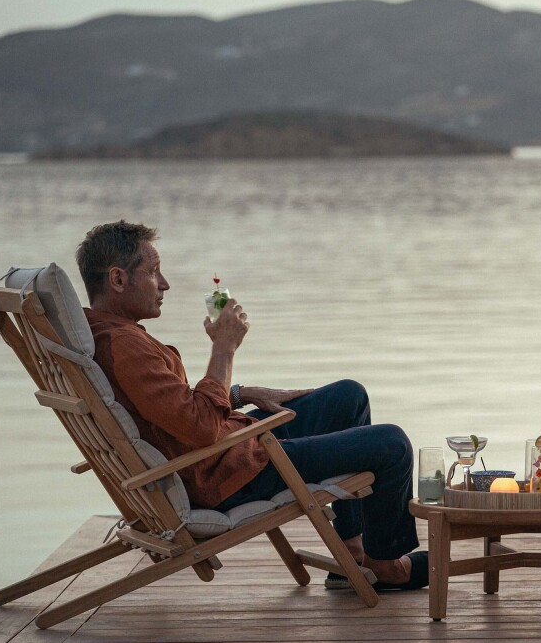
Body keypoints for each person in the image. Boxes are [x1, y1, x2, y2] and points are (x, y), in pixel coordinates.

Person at [75, 220, 427, 591]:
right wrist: (224, 348)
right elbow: (200, 427)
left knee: (347, 397)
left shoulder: (106, 334)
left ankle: (351, 552)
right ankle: (386, 567)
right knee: (392, 444)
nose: (164, 284)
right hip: (228, 474)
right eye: (153, 272)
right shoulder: (126, 347)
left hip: (228, 450)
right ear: (118, 279)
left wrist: (240, 394)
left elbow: (166, 411)